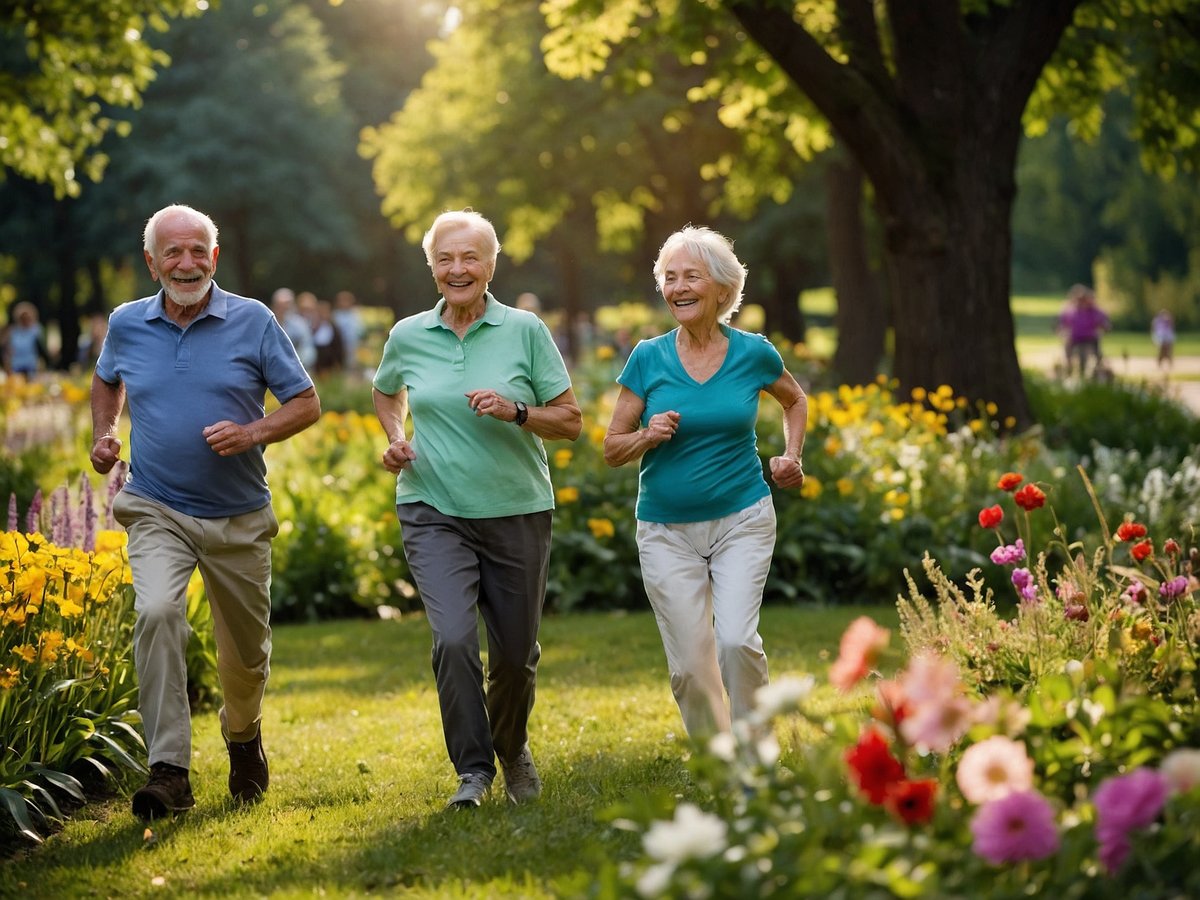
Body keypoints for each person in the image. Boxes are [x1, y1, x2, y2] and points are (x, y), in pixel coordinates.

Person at [90, 204, 321, 820]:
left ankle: (243, 736)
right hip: (156, 504)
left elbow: (306, 402)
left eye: (198, 251)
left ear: (214, 258)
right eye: (173, 253)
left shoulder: (253, 320)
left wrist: (252, 433)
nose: (186, 263)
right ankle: (169, 770)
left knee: (245, 655)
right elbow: (106, 378)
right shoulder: (126, 323)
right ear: (152, 262)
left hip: (238, 514)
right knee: (159, 611)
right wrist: (105, 433)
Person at [372, 209, 581, 809]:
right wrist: (394, 436)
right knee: (455, 639)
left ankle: (510, 746)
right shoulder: (408, 334)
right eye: (445, 258)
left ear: (492, 265)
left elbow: (570, 421)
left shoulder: (525, 331)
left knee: (515, 655)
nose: (457, 269)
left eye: (470, 258)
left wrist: (516, 411)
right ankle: (473, 770)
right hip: (431, 504)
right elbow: (387, 392)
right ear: (432, 267)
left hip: (516, 509)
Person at [603, 226, 808, 739]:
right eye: (669, 278)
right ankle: (719, 761)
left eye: (690, 276)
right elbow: (611, 448)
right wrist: (648, 435)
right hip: (666, 531)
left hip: (742, 517)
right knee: (691, 668)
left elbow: (795, 400)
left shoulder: (753, 353)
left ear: (721, 288)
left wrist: (791, 455)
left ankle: (753, 756)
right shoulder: (648, 358)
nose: (677, 287)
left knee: (736, 641)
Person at [1057, 284, 1110, 379]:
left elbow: (1104, 322)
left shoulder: (1094, 311)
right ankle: (1068, 367)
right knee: (1067, 347)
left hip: (1090, 337)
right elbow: (1062, 323)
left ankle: (1098, 367)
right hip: (1074, 338)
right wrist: (1061, 331)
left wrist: (1104, 327)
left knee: (1096, 352)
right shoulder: (1070, 310)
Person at [270, 287, 316, 370]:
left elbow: (307, 347)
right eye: (280, 305)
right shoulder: (268, 323)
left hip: (298, 369)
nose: (283, 308)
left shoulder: (300, 324)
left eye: (287, 304)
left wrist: (298, 364)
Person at [4, 301, 52, 377]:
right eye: (23, 318)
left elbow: (42, 349)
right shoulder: (13, 332)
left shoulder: (36, 330)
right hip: (16, 367)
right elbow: (8, 350)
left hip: (31, 367)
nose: (25, 320)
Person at [332, 290, 363, 376]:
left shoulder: (356, 315)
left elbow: (360, 331)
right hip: (338, 347)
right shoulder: (335, 315)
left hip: (353, 346)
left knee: (352, 367)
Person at [1152, 309, 1176, 374]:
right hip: (1161, 337)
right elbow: (1154, 329)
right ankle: (1160, 365)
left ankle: (1169, 365)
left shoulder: (1168, 321)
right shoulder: (1157, 321)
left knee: (1168, 352)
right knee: (1161, 352)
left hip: (1167, 337)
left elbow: (1172, 325)